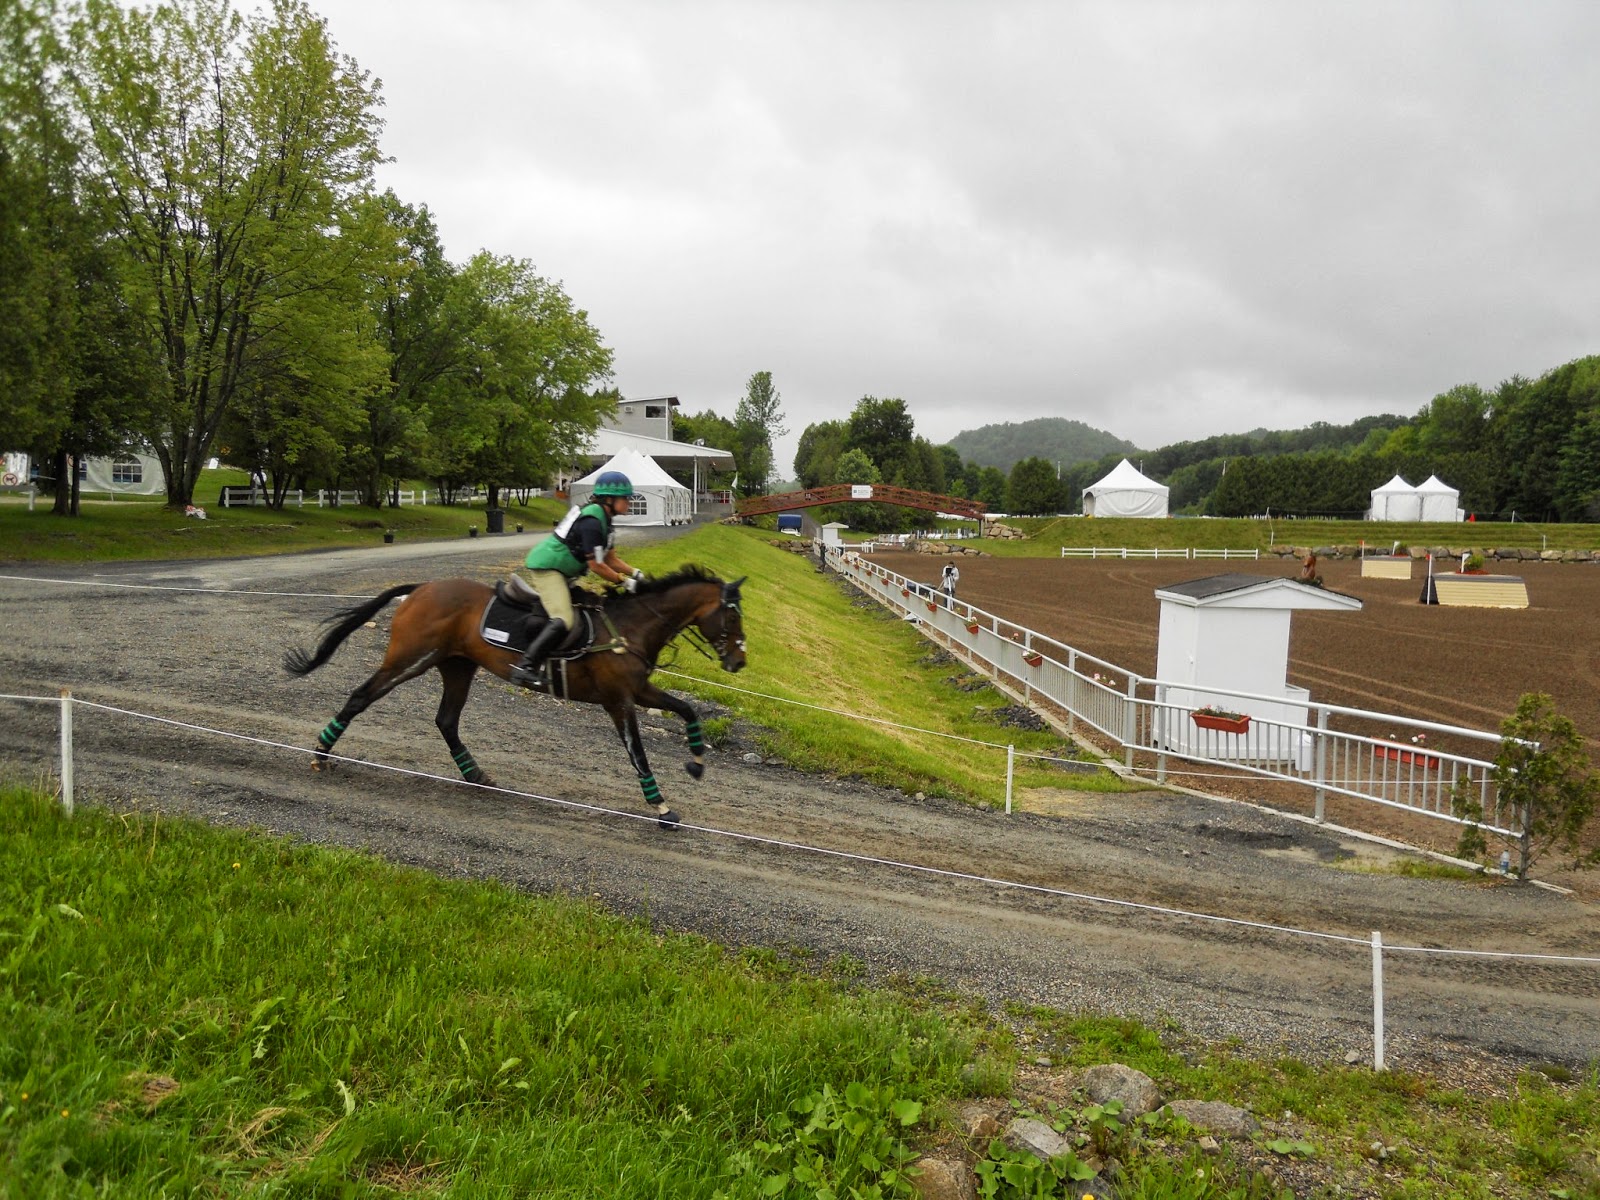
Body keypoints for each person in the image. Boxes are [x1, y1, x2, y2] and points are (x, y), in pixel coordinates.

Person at [511, 471, 645, 686]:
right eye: (625, 498)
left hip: (563, 571)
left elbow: (610, 558)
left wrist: (635, 572)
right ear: (609, 500)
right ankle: (525, 667)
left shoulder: (605, 520)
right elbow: (596, 566)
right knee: (564, 619)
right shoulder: (592, 522)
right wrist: (623, 581)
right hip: (549, 568)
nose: (629, 502)